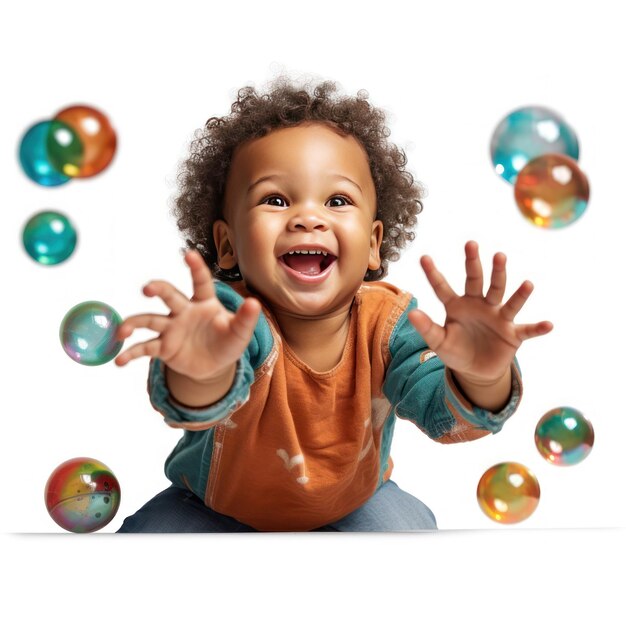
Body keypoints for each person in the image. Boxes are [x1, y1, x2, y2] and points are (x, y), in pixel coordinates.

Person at [115, 77, 552, 532]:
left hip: (357, 503)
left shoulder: (390, 324)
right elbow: (197, 401)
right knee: (148, 543)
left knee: (407, 538)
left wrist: (481, 377)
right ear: (227, 245)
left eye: (338, 200)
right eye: (276, 199)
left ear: (373, 245)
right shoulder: (232, 319)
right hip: (210, 508)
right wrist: (201, 370)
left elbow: (444, 417)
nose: (308, 217)